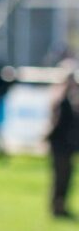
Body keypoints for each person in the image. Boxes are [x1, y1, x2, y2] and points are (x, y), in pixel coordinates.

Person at [46, 64, 79, 219]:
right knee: (61, 178)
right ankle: (57, 207)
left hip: (66, 145)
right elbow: (58, 124)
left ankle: (60, 206)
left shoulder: (69, 100)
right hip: (61, 145)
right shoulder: (62, 101)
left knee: (65, 178)